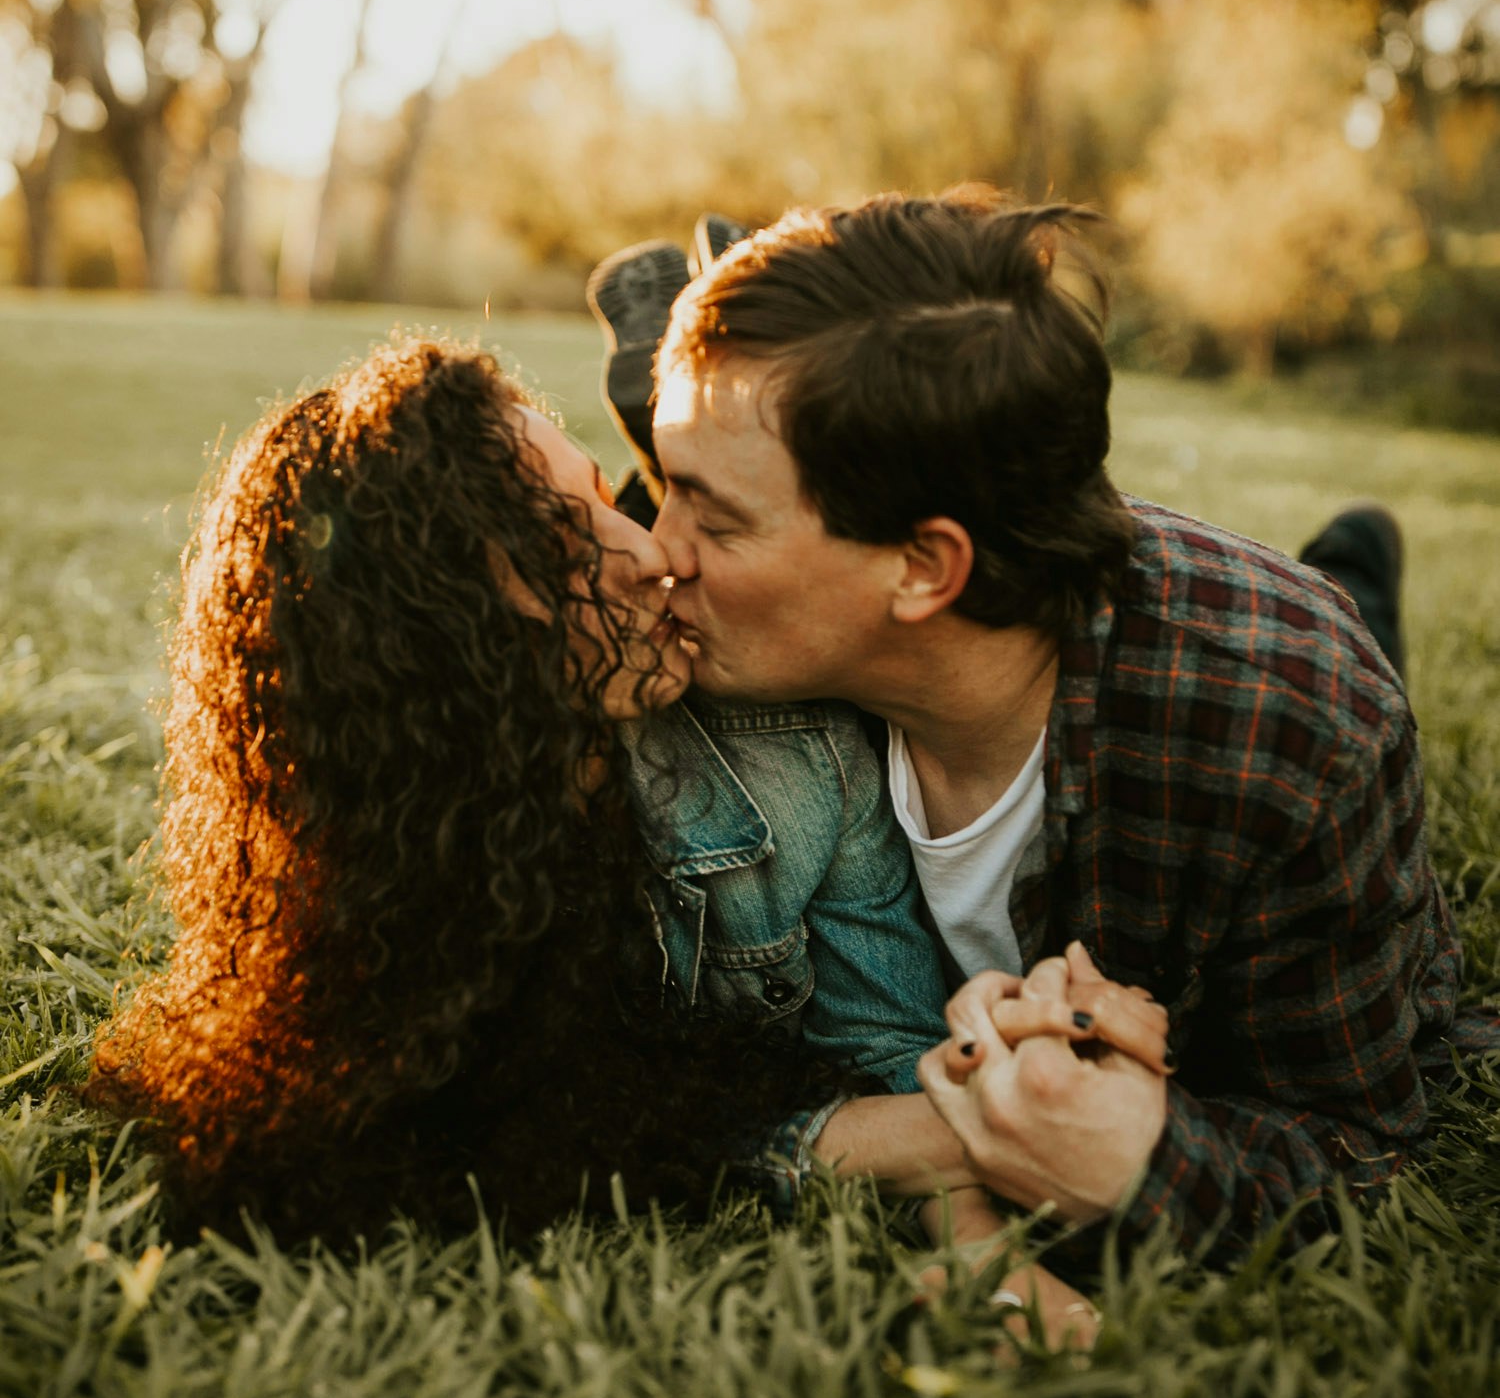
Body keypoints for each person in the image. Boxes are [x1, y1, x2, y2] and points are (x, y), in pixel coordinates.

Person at [86, 333, 1133, 1332]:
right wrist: (852, 1151)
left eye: (603, 497)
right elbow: (455, 1134)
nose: (645, 549)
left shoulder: (797, 753)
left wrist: (984, 1256)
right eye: (561, 542)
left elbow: (895, 1060)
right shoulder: (395, 869)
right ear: (440, 639)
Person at [595, 187, 1495, 1267]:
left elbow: (1356, 1141)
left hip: (1262, 672)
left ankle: (1352, 576)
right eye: (667, 490)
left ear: (922, 567)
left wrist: (1144, 1158)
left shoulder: (1295, 737)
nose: (658, 551)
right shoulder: (738, 675)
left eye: (714, 516)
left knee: (1338, 652)